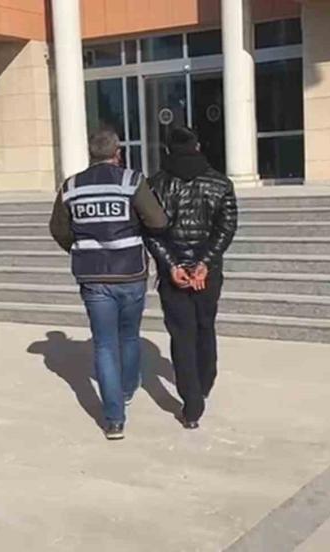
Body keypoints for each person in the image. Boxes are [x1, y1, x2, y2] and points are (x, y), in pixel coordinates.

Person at [49, 129, 167, 441]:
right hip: (130, 273)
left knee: (103, 344)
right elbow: (158, 221)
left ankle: (114, 421)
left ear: (91, 154)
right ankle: (126, 390)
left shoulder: (71, 186)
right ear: (118, 152)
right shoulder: (131, 180)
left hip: (93, 277)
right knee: (129, 336)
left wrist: (81, 248)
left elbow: (58, 229)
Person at [145, 127, 238, 430]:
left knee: (182, 335)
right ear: (197, 146)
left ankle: (192, 404)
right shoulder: (220, 183)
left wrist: (173, 265)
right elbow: (227, 227)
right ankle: (205, 381)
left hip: (173, 275)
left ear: (168, 150)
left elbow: (150, 232)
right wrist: (204, 264)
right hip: (206, 275)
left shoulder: (155, 184)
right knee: (205, 326)